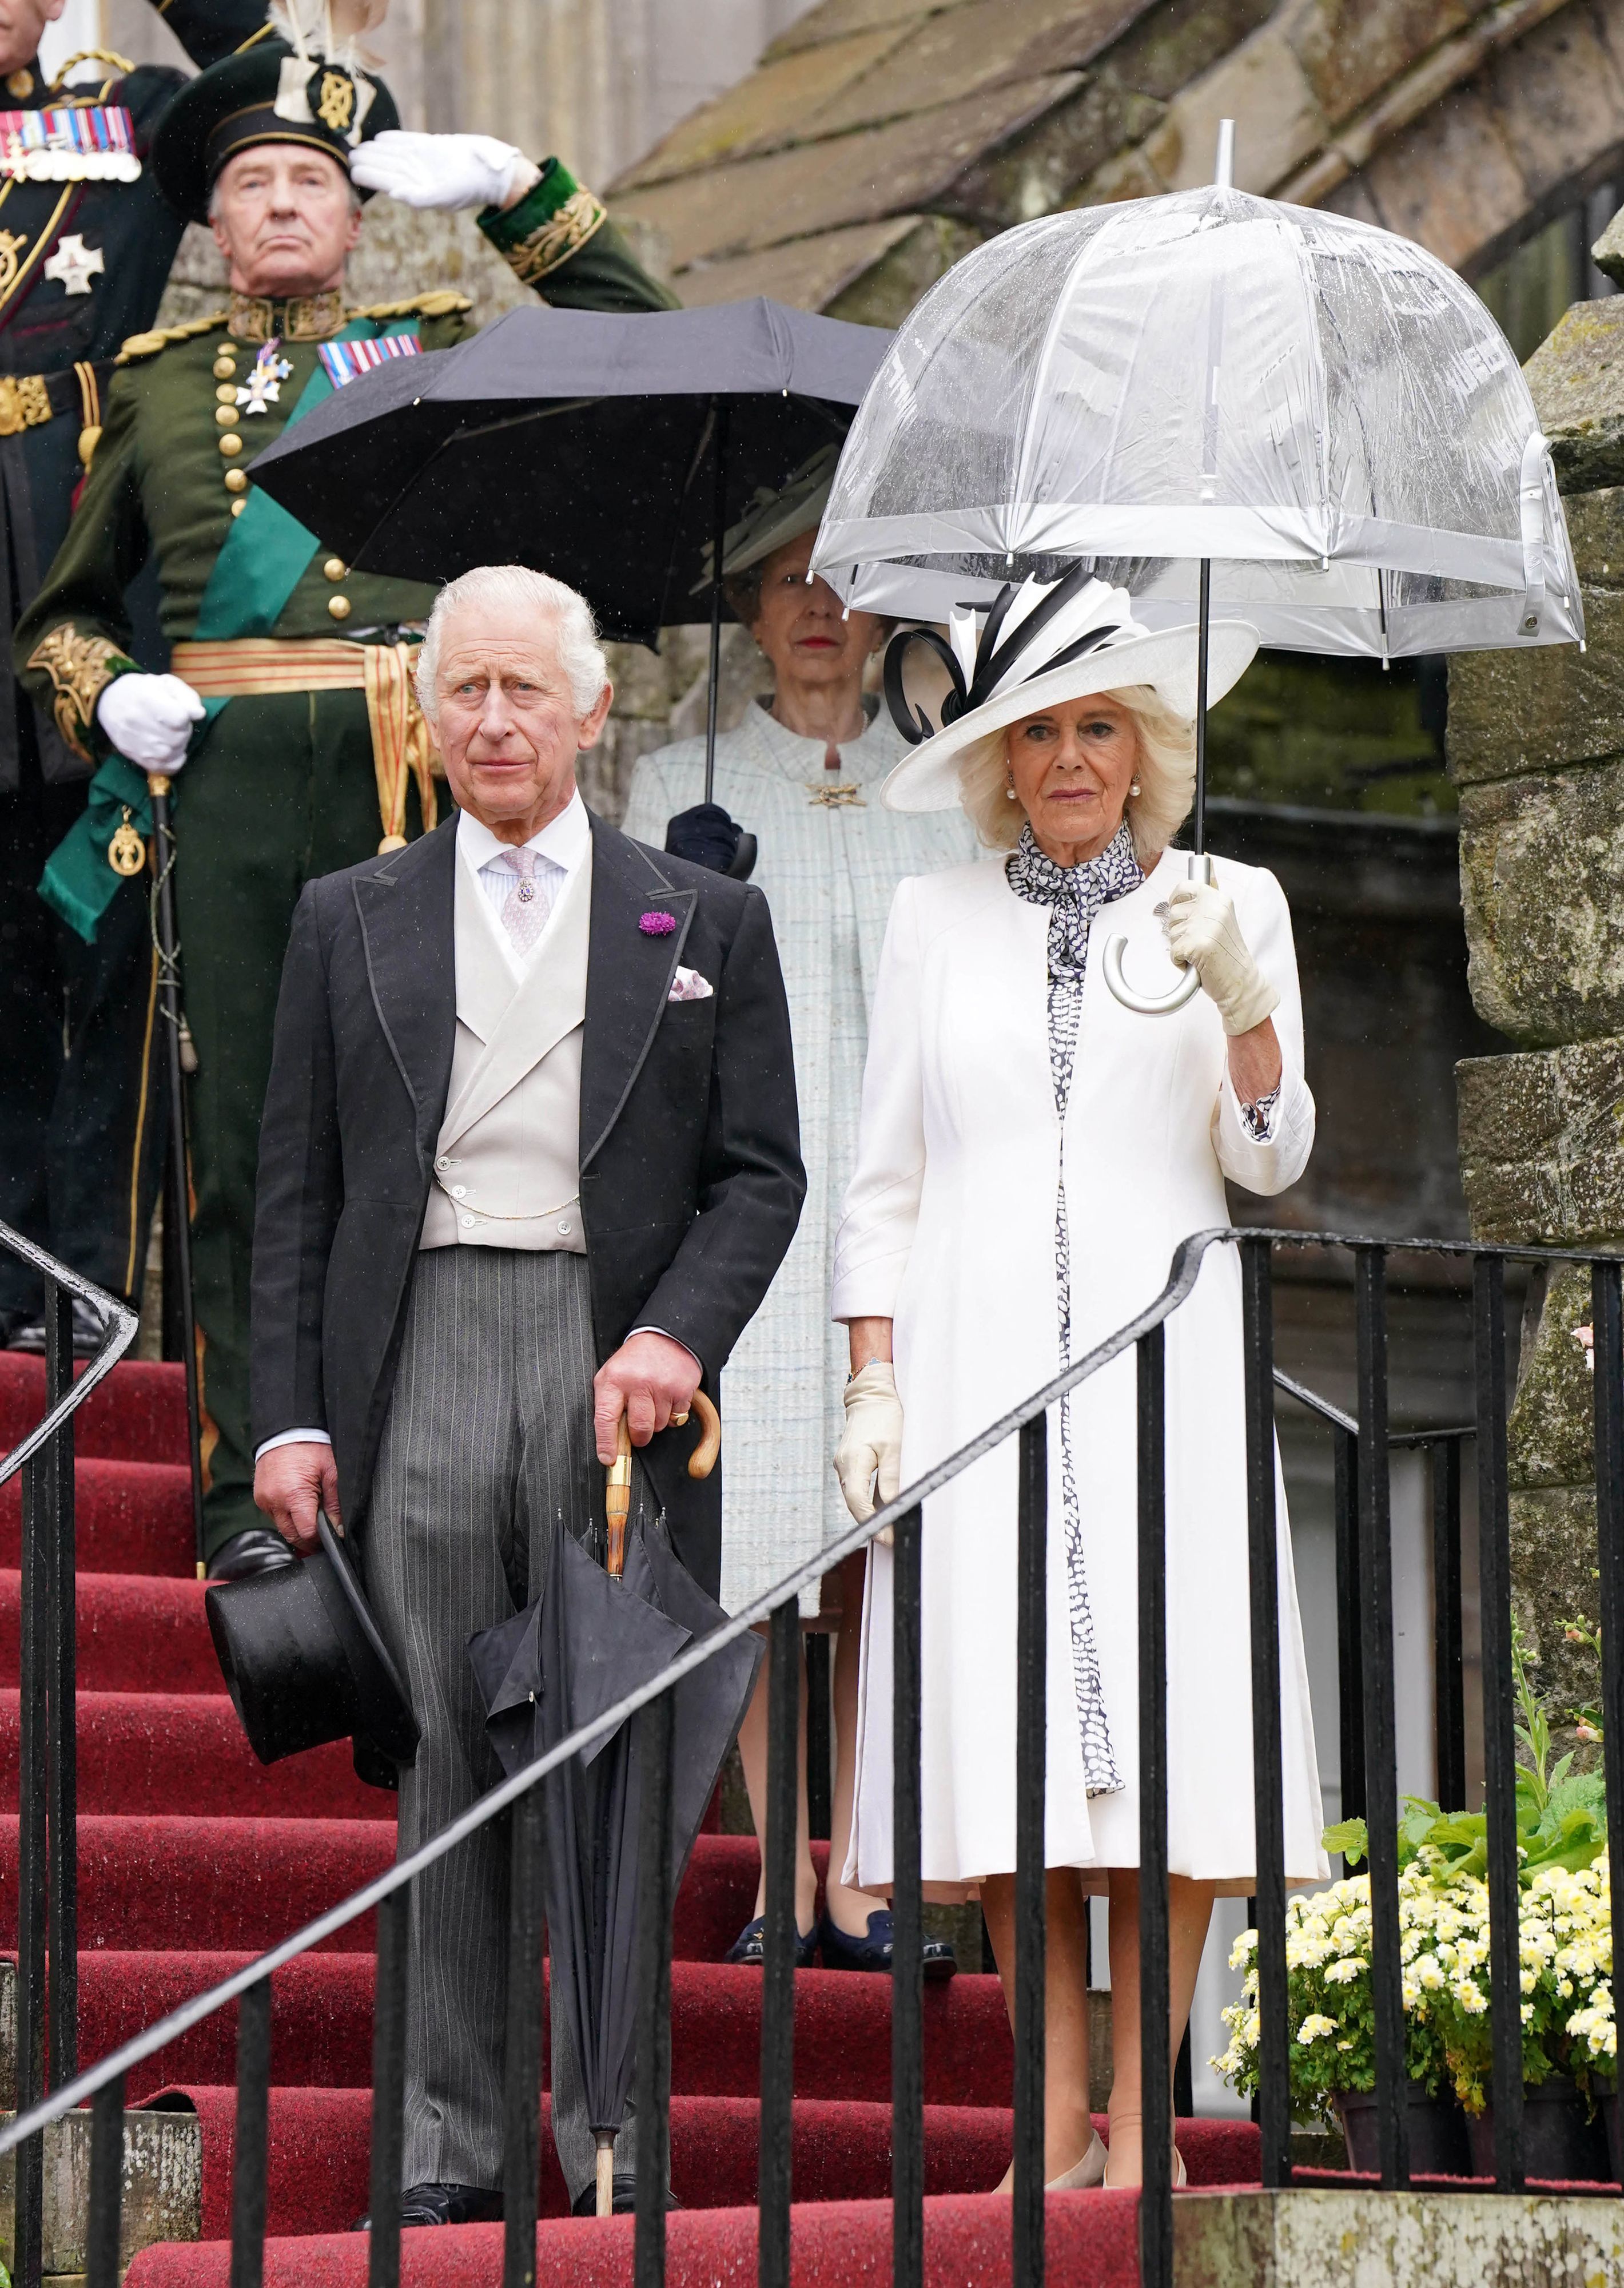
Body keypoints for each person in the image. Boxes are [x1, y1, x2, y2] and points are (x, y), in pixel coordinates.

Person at [16, 29, 675, 1578]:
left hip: (417, 784)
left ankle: (422, 1477)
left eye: (311, 177)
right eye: (251, 182)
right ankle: (253, 1497)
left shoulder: (441, 346)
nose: (282, 205)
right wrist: (108, 691)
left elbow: (641, 342)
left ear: (361, 208)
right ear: (217, 225)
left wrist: (521, 190)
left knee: (447, 1142)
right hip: (234, 795)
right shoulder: (152, 392)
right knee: (243, 1152)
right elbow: (59, 619)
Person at [250, 563, 804, 2226]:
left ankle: (608, 2143)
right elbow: (289, 1186)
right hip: (416, 1354)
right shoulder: (346, 911)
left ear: (590, 708)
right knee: (438, 1753)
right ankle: (443, 2151)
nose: (492, 719)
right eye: (464, 689)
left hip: (605, 1365)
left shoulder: (704, 920)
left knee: (609, 1753)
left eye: (522, 690)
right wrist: (285, 1417)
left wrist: (676, 1342)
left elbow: (760, 1175)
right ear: (427, 710)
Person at [830, 569, 1327, 2190]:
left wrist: (1245, 1011)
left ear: (1144, 747)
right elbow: (881, 1177)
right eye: (1037, 729)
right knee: (1002, 1747)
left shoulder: (1230, 899)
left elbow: (1270, 1157)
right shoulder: (931, 917)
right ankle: (1047, 2124)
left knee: (1171, 1744)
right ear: (997, 758)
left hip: (1159, 1355)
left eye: (1097, 724)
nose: (1067, 759)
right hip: (972, 1367)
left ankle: (1148, 2129)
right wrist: (871, 1382)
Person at [622, 454, 975, 1973]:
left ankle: (872, 1863)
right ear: (750, 617)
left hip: (910, 1193)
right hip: (756, 1198)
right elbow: (632, 1009)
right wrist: (672, 904)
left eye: (842, 580)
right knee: (766, 1531)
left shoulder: (953, 771)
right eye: (785, 585)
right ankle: (783, 1865)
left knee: (882, 1535)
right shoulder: (675, 782)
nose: (819, 609)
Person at [0, 0, 270, 1354]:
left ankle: (84, 1300)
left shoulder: (127, 117)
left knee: (106, 967)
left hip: (80, 606)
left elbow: (266, 77)